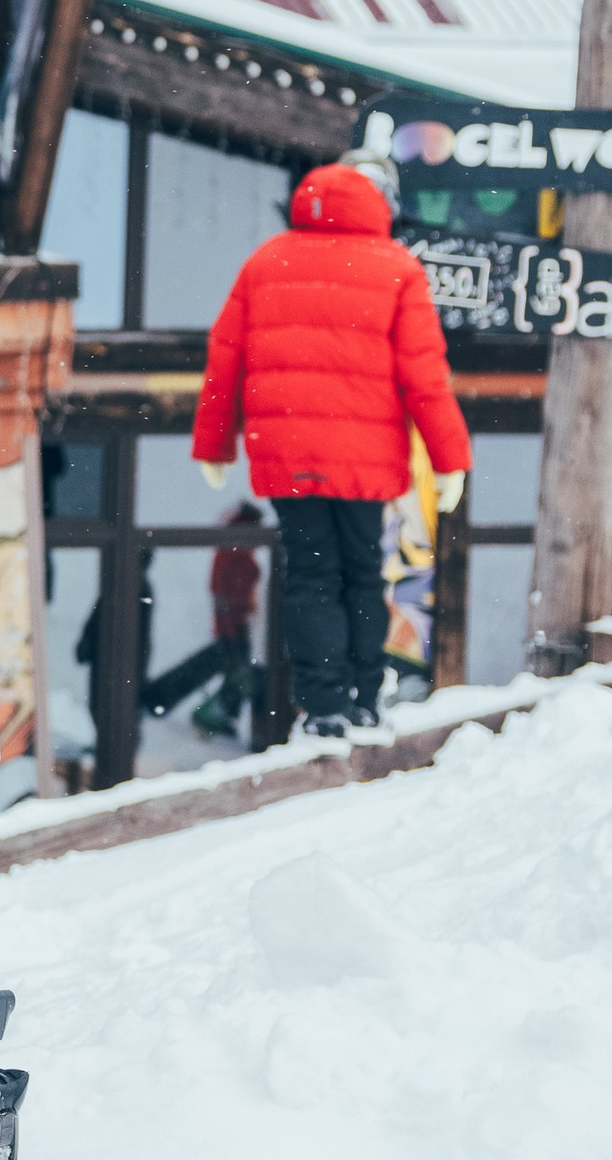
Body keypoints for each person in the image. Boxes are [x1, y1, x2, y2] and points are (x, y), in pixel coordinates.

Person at [190, 152, 470, 737]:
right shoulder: (396, 267)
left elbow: (225, 360)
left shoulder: (265, 261)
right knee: (363, 574)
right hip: (365, 459)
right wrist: (450, 459)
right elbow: (425, 374)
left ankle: (322, 707)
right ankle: (365, 697)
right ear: (380, 203)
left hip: (286, 451)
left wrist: (215, 444)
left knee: (310, 576)